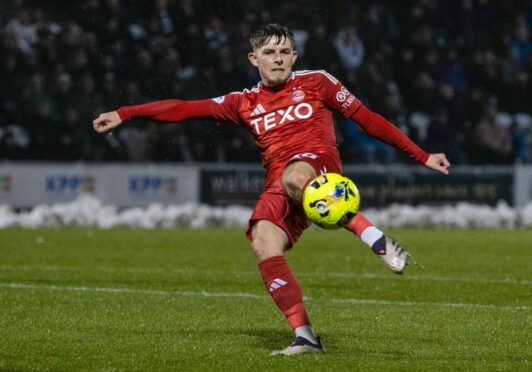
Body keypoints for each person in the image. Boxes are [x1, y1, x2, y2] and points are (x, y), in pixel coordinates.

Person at [93, 23, 450, 356]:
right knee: (263, 241)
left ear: (295, 56)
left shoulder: (317, 82)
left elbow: (368, 120)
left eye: (284, 52)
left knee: (295, 176)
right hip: (279, 183)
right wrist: (127, 113)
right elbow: (185, 109)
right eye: (269, 52)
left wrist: (421, 155)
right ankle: (306, 336)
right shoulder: (243, 103)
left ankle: (375, 238)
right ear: (254, 59)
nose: (277, 58)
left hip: (318, 165)